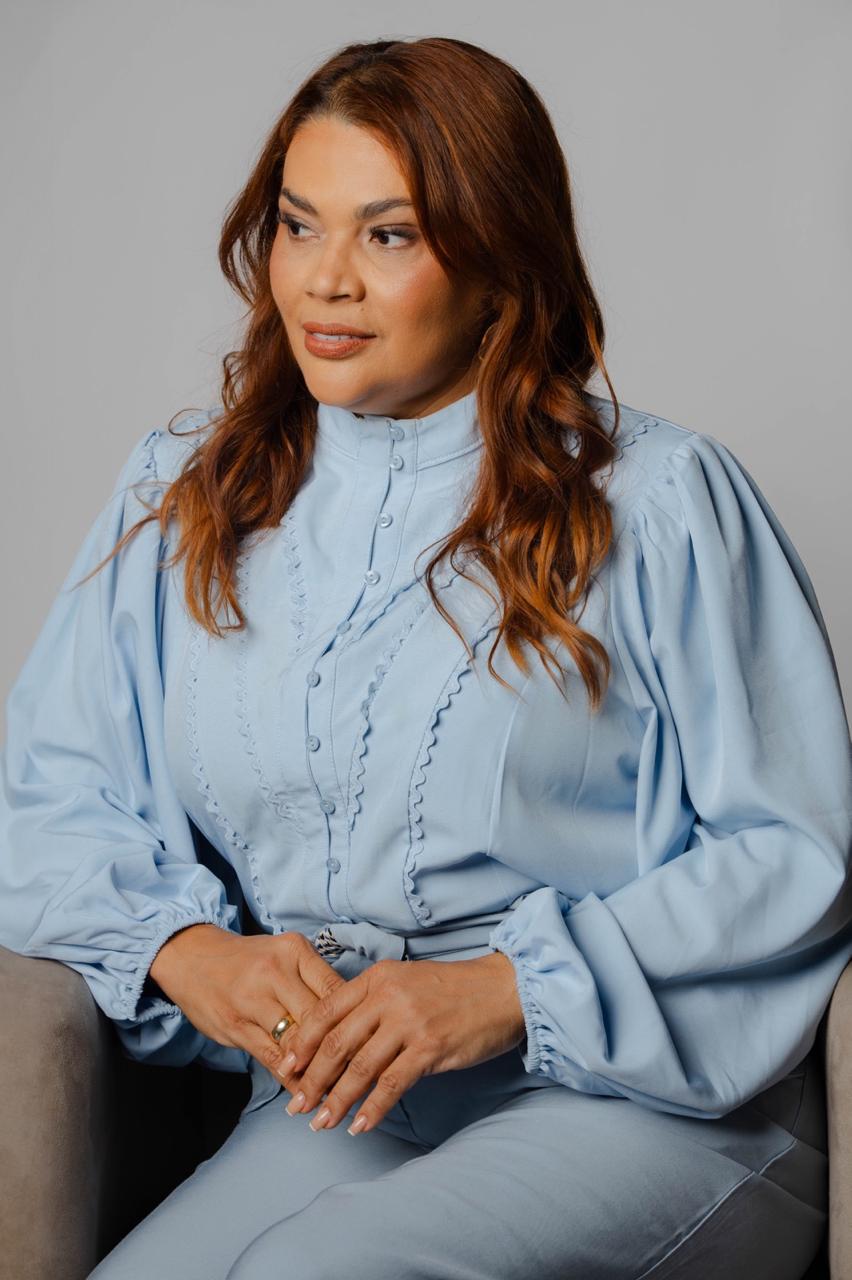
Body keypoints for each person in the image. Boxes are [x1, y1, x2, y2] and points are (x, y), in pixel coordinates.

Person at [1, 34, 850, 1280]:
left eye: (389, 234)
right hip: (343, 1106)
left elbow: (792, 853)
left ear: (500, 260)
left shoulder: (662, 501)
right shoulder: (188, 492)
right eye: (299, 225)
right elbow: (45, 797)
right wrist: (191, 951)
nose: (325, 279)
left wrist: (504, 988)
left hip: (650, 1111)